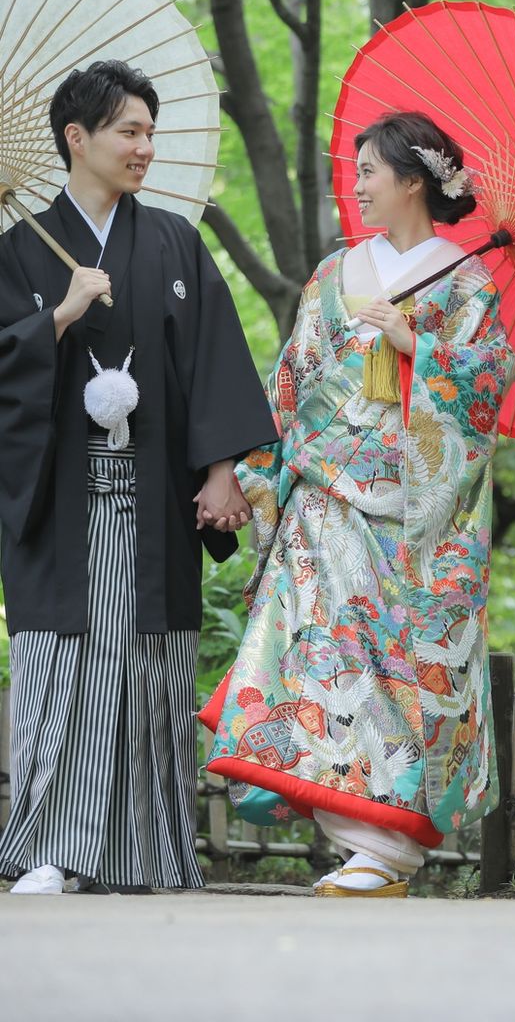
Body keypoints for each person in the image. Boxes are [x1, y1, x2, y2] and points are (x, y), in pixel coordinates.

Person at [201, 111, 515, 897]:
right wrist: (245, 475)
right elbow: (292, 381)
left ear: (413, 181)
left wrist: (419, 348)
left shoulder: (467, 280)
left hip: (416, 514)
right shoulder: (334, 273)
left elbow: (489, 387)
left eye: (370, 170)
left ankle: (387, 851)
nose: (358, 184)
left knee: (399, 670)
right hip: (323, 500)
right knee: (318, 656)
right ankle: (368, 848)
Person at [0, 60, 275, 894]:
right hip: (59, 497)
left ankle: (145, 853)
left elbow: (213, 362)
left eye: (151, 131)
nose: (145, 146)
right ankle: (51, 851)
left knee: (150, 666)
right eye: (129, 130)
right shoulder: (18, 250)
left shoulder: (173, 242)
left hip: (153, 494)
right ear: (76, 138)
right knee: (63, 664)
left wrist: (221, 472)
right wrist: (58, 316)